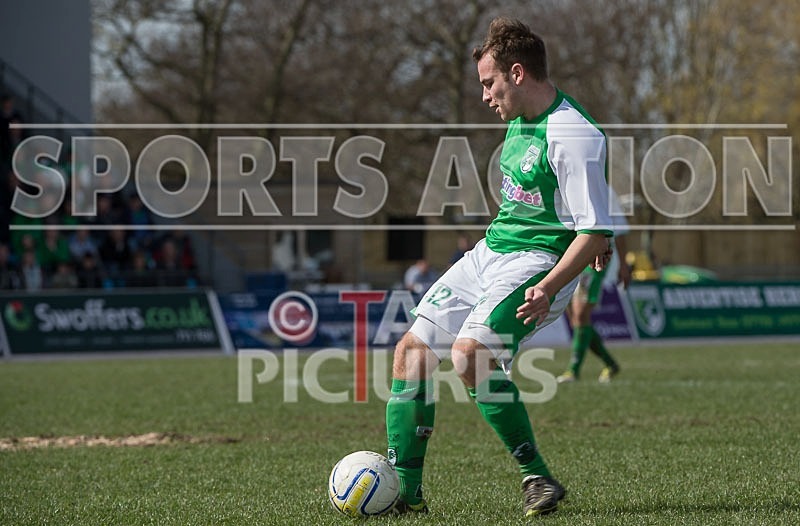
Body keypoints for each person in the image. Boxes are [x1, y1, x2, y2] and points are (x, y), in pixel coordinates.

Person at [385, 17, 614, 518]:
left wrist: (552, 284)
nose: (486, 95)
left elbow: (592, 227)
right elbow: (578, 207)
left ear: (516, 72)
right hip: (490, 252)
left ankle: (537, 476)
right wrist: (601, 235)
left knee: (470, 356)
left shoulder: (574, 133)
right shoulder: (516, 122)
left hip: (536, 264)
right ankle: (407, 496)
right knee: (411, 354)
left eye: (489, 83)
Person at [558, 193, 631, 383]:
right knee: (576, 320)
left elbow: (621, 231)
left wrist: (624, 264)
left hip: (594, 259)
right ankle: (610, 364)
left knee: (581, 315)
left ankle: (573, 370)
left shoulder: (604, 190)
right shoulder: (560, 186)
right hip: (567, 257)